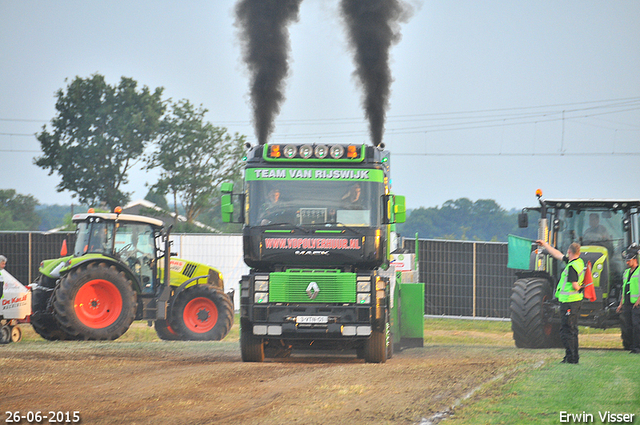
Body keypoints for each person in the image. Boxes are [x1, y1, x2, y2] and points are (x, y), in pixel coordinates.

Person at [536, 240, 585, 364]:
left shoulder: (572, 267)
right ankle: (572, 356)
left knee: (566, 331)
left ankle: (571, 357)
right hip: (573, 302)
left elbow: (574, 285)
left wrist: (579, 287)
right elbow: (557, 254)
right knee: (572, 330)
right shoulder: (578, 262)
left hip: (569, 302)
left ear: (569, 252)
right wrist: (546, 245)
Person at [617, 243, 640, 354]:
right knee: (628, 325)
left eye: (629, 260)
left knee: (636, 326)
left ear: (635, 259)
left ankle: (637, 347)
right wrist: (621, 304)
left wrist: (638, 301)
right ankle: (631, 346)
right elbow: (624, 288)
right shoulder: (626, 273)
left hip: (636, 304)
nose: (627, 262)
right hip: (627, 303)